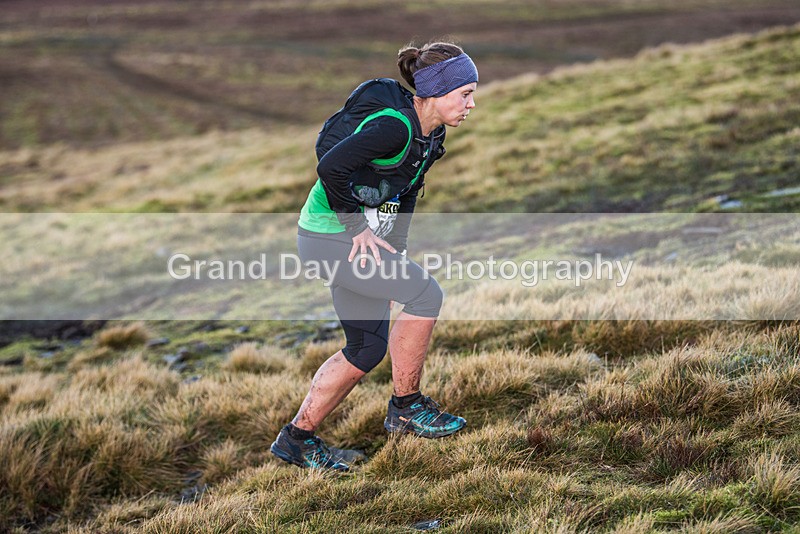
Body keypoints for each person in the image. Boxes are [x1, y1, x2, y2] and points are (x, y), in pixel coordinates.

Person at [270, 41, 478, 471]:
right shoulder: (395, 128)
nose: (471, 104)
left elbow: (407, 191)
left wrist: (395, 251)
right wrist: (357, 228)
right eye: (465, 94)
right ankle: (407, 407)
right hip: (330, 239)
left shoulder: (430, 135)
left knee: (366, 349)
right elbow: (330, 169)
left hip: (353, 242)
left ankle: (296, 439)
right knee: (425, 295)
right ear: (437, 91)